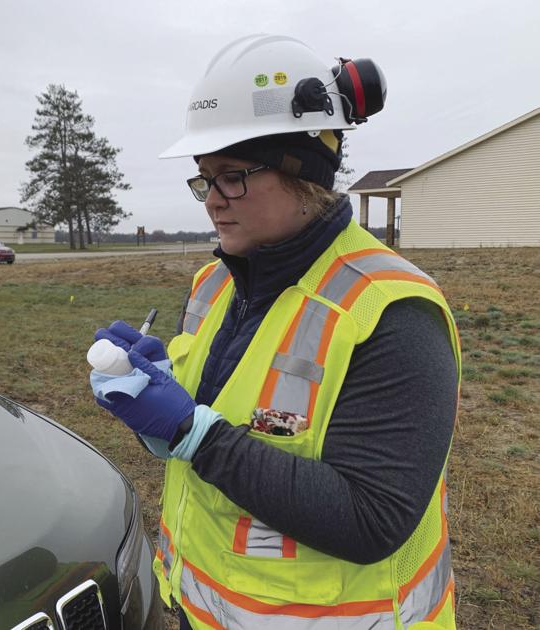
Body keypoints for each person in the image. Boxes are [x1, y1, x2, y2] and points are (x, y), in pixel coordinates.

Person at [91, 34, 459, 629]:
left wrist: (191, 432)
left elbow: (372, 520)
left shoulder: (392, 311)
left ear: (304, 174)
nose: (212, 201)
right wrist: (156, 399)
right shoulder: (215, 282)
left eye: (232, 176)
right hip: (199, 607)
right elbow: (217, 430)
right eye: (203, 179)